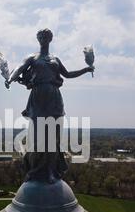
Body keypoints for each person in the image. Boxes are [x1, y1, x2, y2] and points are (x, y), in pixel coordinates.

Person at [6, 28, 94, 183]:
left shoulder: (55, 59)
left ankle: (51, 171)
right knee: (39, 135)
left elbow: (67, 75)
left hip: (54, 97)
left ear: (50, 39)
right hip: (38, 97)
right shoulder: (32, 57)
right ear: (38, 39)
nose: (43, 38)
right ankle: (35, 169)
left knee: (54, 136)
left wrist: (86, 69)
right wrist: (10, 79)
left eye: (46, 36)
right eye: (41, 36)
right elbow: (19, 69)